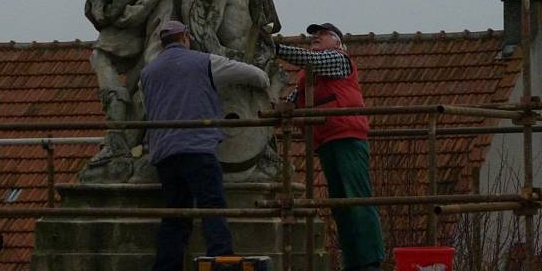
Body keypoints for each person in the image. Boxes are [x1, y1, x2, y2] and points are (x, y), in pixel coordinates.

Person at [141, 20, 271, 271]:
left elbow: (149, 110)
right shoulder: (204, 62)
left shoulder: (148, 73)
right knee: (212, 206)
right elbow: (253, 74)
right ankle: (220, 260)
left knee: (176, 214)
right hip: (197, 148)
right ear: (186, 38)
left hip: (164, 153)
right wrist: (265, 80)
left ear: (162, 42)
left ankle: (167, 266)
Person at [277, 22, 385, 271]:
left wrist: (275, 48)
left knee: (356, 199)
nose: (315, 37)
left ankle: (370, 260)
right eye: (313, 35)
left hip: (347, 136)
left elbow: (308, 59)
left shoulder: (337, 59)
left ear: (337, 42)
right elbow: (291, 102)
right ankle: (353, 260)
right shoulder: (308, 76)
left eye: (322, 34)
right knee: (340, 205)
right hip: (326, 140)